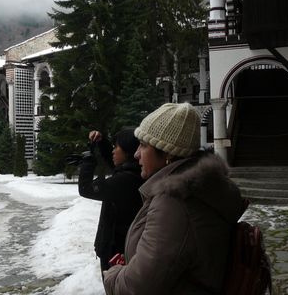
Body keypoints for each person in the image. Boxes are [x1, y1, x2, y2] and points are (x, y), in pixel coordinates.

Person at [103, 103, 244, 295]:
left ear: (168, 152)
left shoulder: (174, 203)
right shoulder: (203, 189)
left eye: (143, 146)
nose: (136, 154)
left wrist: (113, 275)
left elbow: (138, 288)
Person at [78, 129, 144, 273]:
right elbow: (114, 162)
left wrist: (88, 161)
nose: (113, 151)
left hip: (116, 250)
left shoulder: (125, 180)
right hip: (124, 246)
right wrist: (102, 142)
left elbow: (86, 189)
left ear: (128, 151)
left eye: (117, 147)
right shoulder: (135, 172)